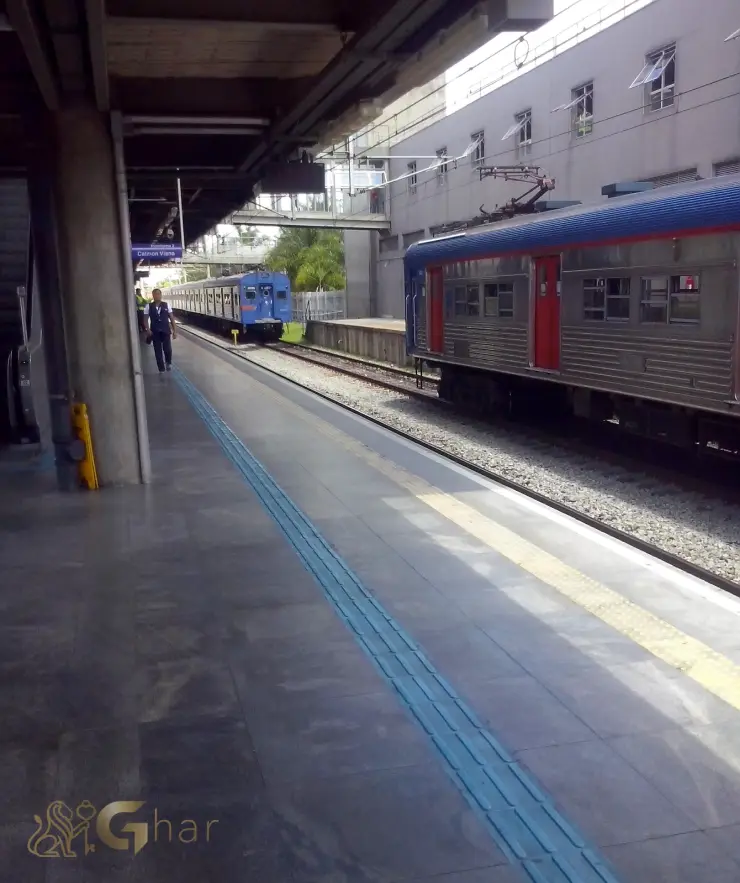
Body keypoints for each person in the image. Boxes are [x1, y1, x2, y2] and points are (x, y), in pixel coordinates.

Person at [145, 288, 177, 372]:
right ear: (153, 295)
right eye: (155, 294)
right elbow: (145, 319)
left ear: (161, 295)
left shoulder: (166, 305)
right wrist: (147, 329)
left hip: (165, 330)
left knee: (167, 349)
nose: (157, 295)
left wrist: (174, 331)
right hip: (155, 331)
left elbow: (172, 319)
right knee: (157, 350)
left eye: (159, 294)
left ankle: (168, 362)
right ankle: (161, 368)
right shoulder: (148, 306)